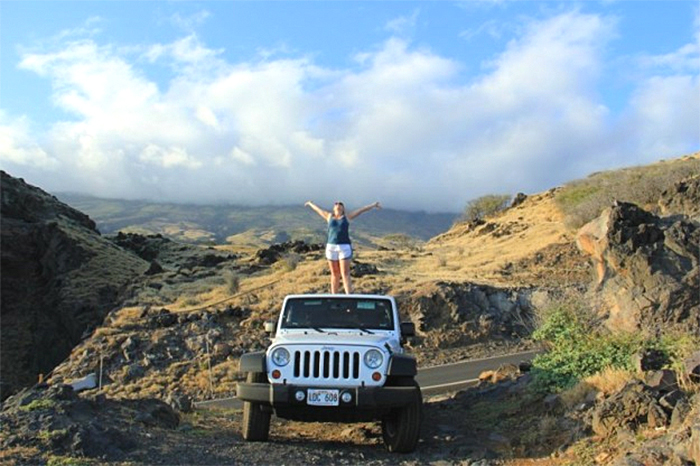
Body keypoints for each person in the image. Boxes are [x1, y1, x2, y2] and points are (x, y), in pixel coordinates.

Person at [305, 200, 381, 294]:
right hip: (331, 248)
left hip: (344, 247)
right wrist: (310, 203)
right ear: (334, 208)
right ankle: (334, 296)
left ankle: (349, 296)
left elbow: (361, 210)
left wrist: (373, 205)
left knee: (345, 273)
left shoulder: (347, 217)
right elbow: (318, 210)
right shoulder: (329, 216)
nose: (338, 205)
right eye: (336, 204)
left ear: (343, 208)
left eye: (340, 204)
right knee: (335, 274)